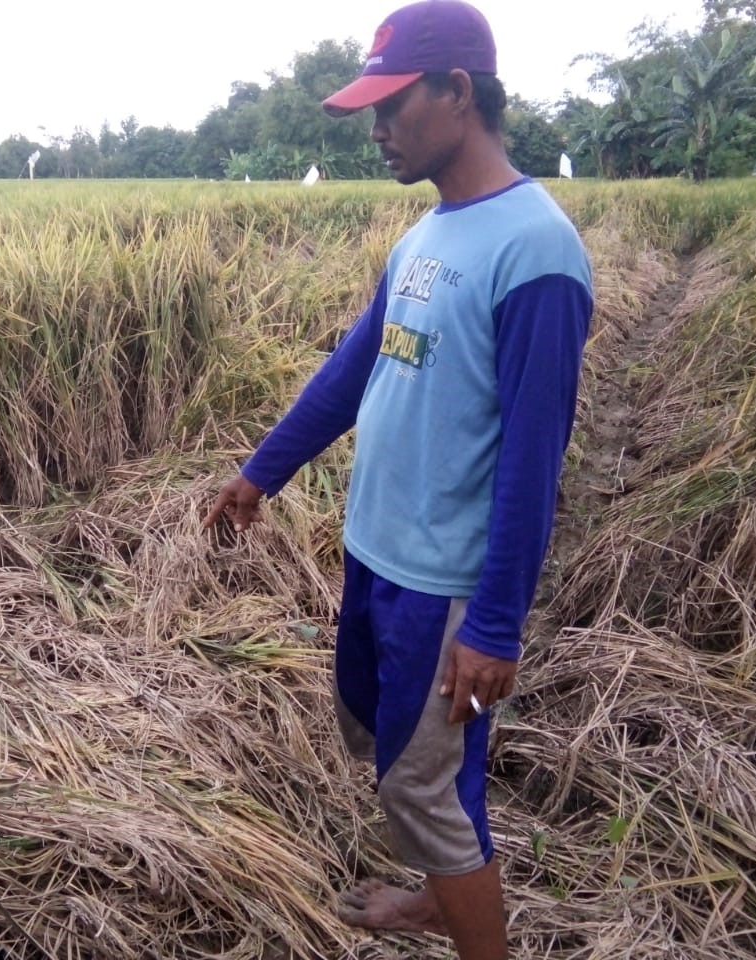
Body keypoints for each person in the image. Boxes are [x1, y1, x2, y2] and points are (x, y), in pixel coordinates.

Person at [202, 3, 593, 958]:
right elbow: (355, 366)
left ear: (457, 93)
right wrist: (264, 472)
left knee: (426, 784)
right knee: (404, 754)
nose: (376, 131)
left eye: (391, 106)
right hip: (379, 554)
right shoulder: (429, 234)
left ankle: (470, 928)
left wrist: (495, 623)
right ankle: (436, 894)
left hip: (444, 584)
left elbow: (534, 463)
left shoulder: (535, 256)